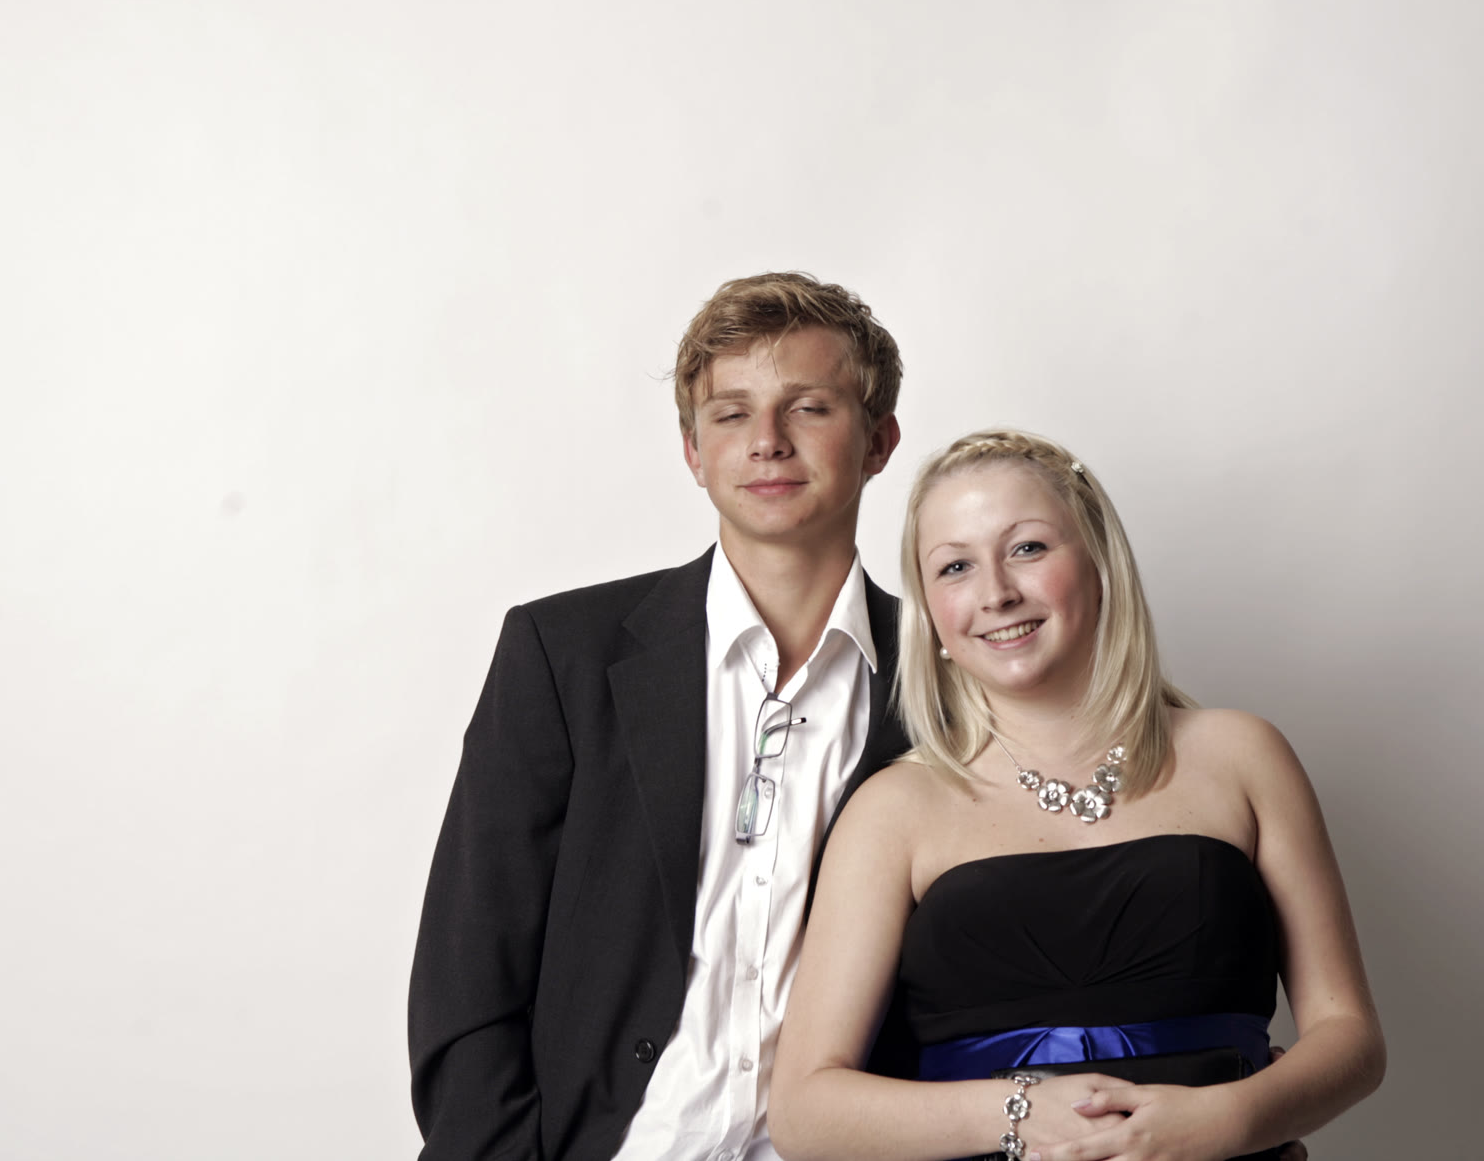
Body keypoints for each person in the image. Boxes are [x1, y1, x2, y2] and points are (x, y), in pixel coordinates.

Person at [770, 430, 1386, 1161]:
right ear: (929, 614)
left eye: (1027, 548)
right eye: (956, 566)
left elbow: (1350, 1037)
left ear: (1099, 563)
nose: (996, 592)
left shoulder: (1243, 756)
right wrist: (1019, 1112)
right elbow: (805, 1112)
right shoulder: (893, 809)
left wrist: (1227, 1120)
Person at [408, 271, 909, 1161]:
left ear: (879, 440)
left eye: (808, 408)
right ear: (692, 450)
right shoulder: (563, 655)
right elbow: (467, 972)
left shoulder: (944, 681)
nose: (767, 441)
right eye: (731, 414)